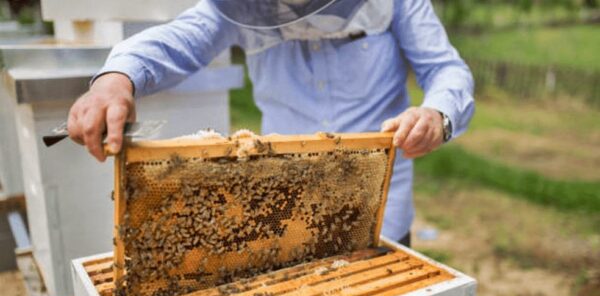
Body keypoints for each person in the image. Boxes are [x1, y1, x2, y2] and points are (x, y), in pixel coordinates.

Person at [67, 0, 475, 247]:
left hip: (382, 211)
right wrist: (116, 80)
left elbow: (445, 69)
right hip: (283, 206)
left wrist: (437, 114)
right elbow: (179, 38)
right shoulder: (240, 8)